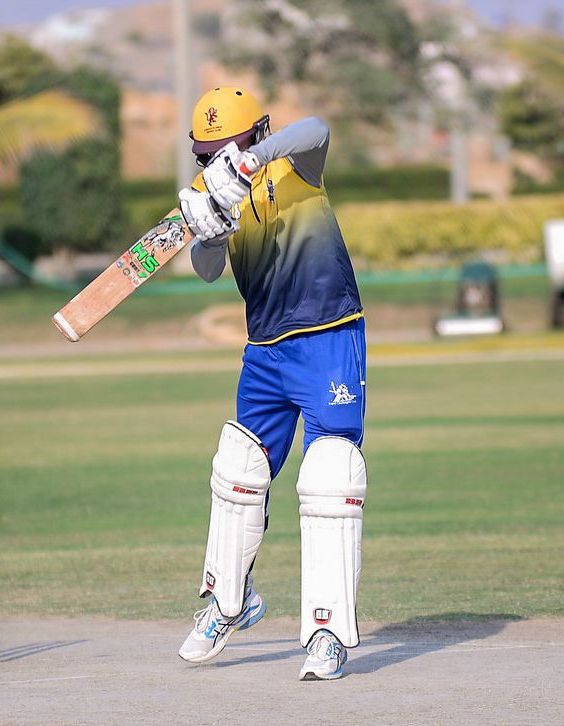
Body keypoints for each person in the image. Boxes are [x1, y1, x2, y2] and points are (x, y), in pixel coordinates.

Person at [176, 87, 367, 681]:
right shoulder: (212, 192)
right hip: (265, 349)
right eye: (205, 155)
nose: (214, 163)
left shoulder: (294, 165)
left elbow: (318, 127)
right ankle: (229, 603)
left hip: (327, 336)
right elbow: (206, 270)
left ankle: (328, 633)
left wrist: (251, 162)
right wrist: (212, 229)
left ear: (256, 134)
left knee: (331, 473)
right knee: (238, 468)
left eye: (224, 150)